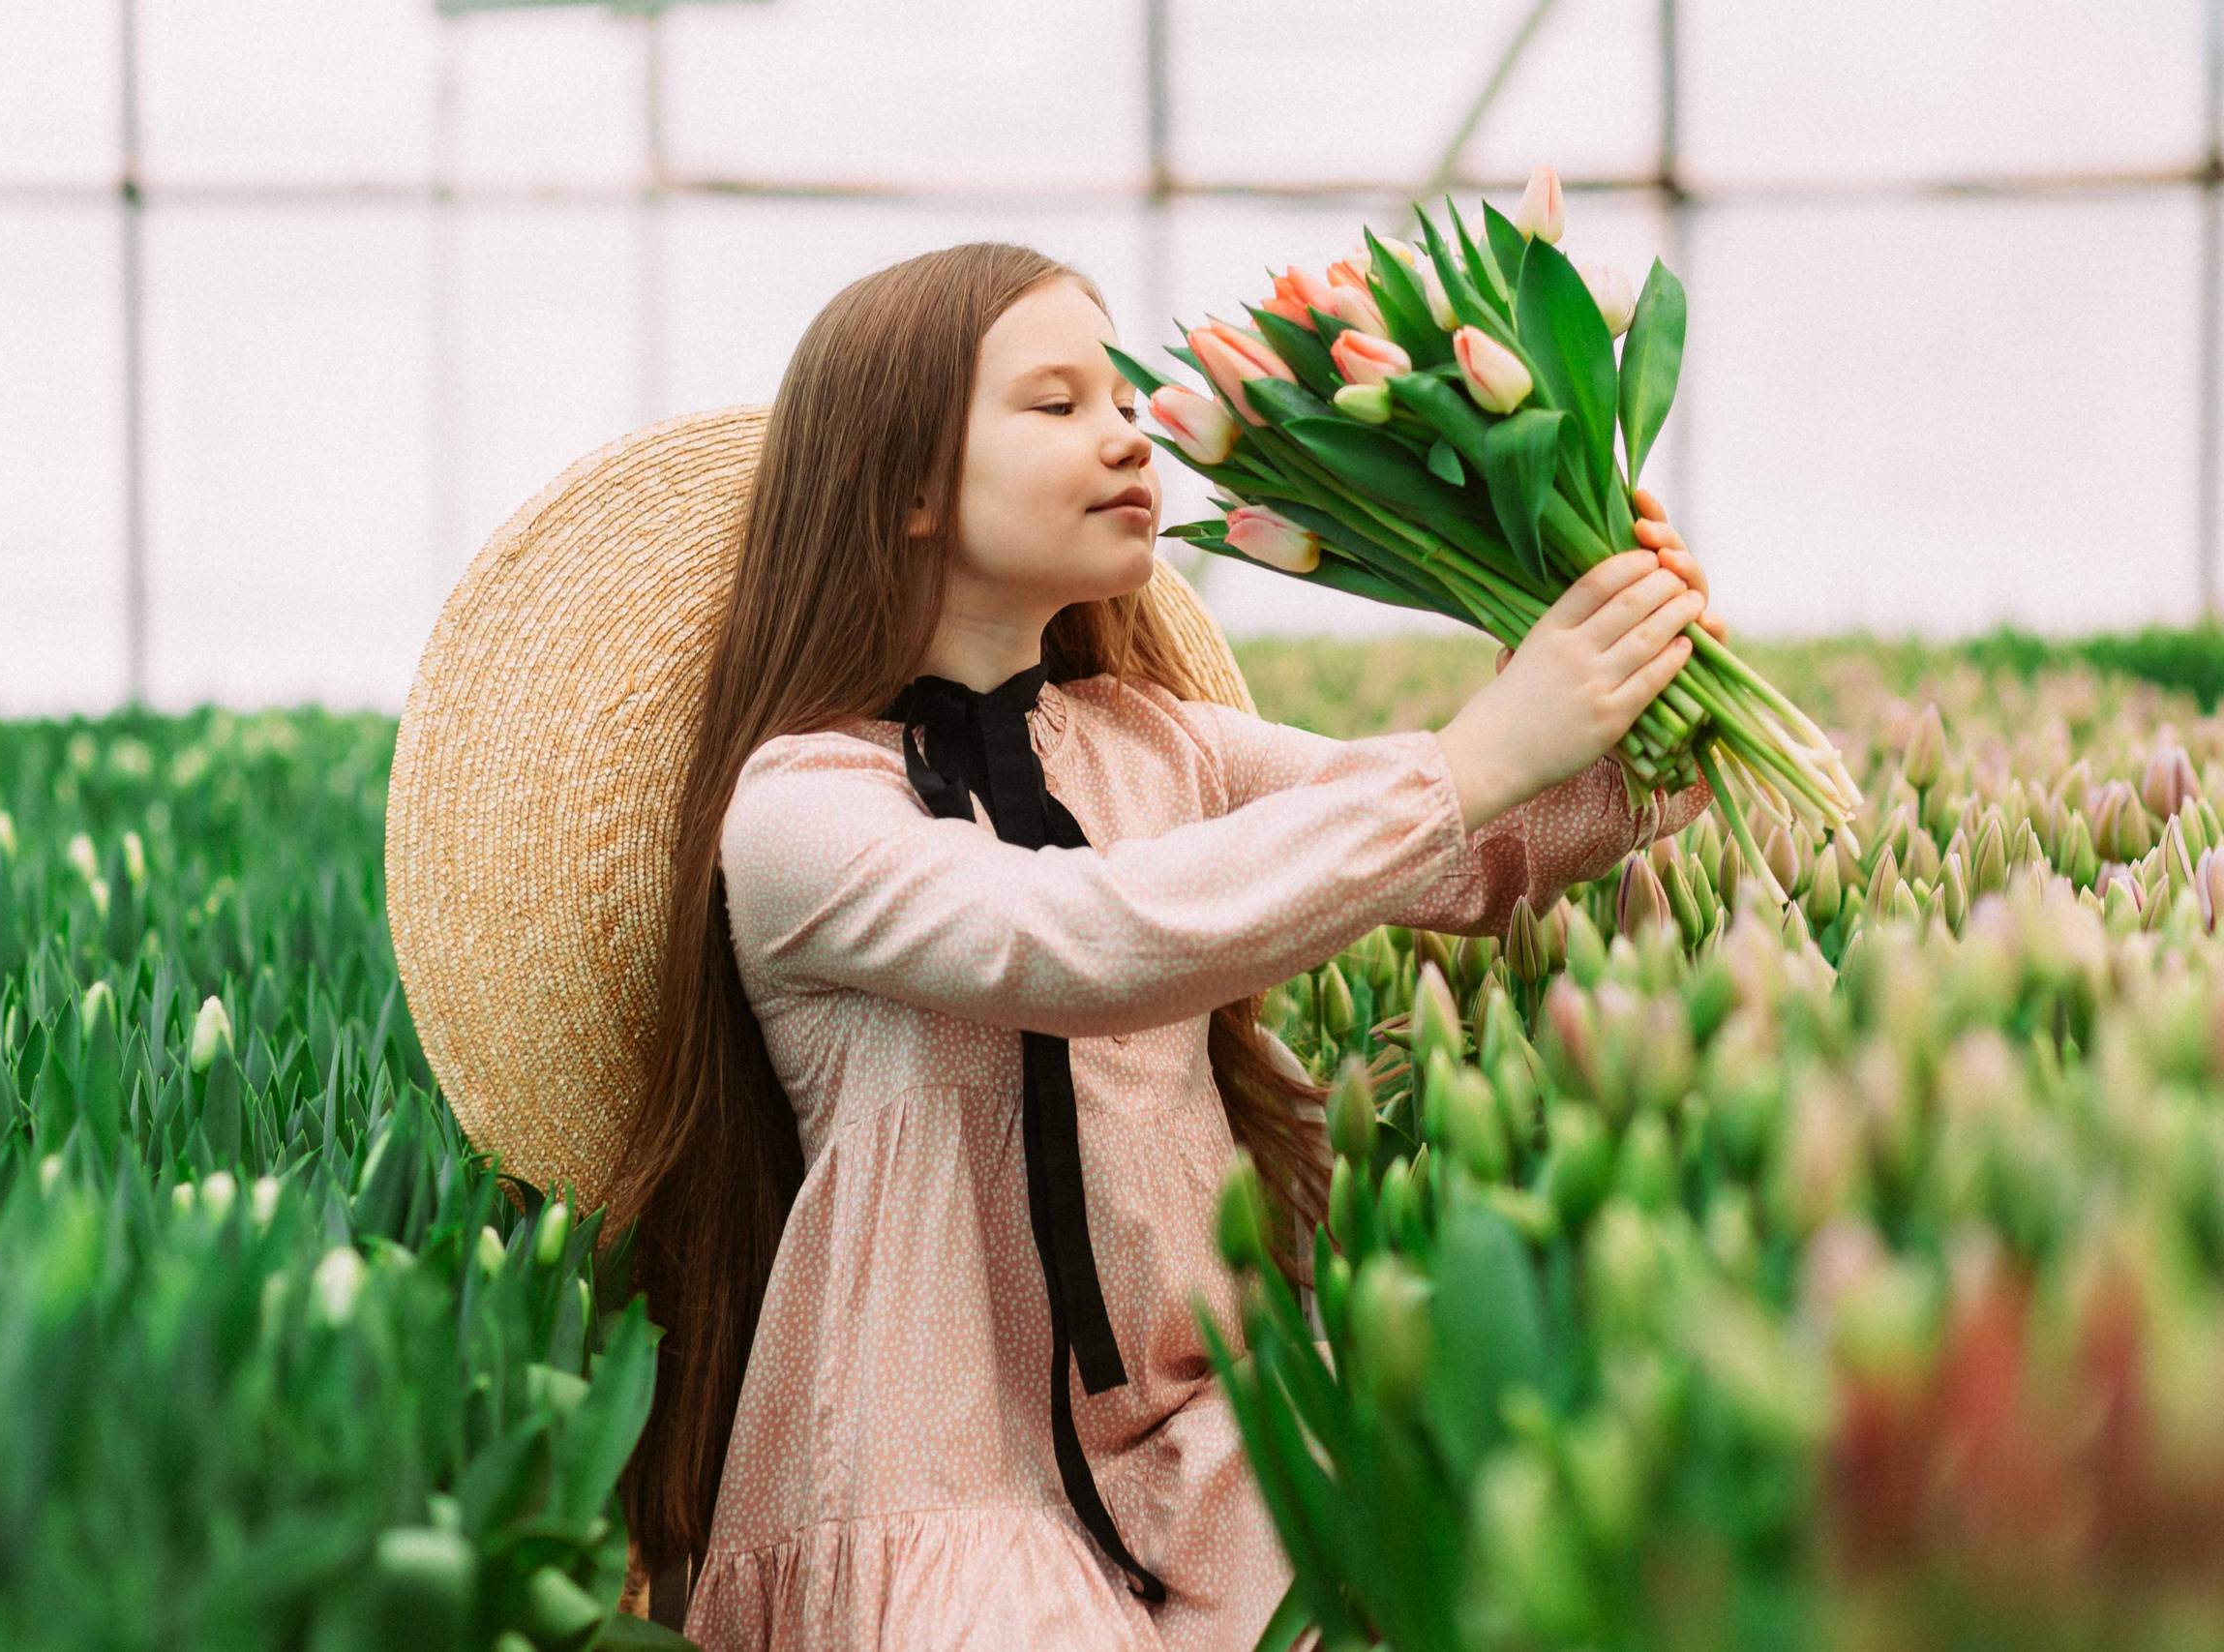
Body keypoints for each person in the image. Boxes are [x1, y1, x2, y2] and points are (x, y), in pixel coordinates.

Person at [603, 241, 1720, 1651]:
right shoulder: (802, 807)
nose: (1129, 434)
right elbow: (1073, 940)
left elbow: (1475, 855)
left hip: (1216, 1450)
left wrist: (1637, 689)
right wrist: (1473, 753)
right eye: (1056, 403)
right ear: (905, 489)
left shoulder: (1160, 744)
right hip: (937, 1490)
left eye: (1125, 399)